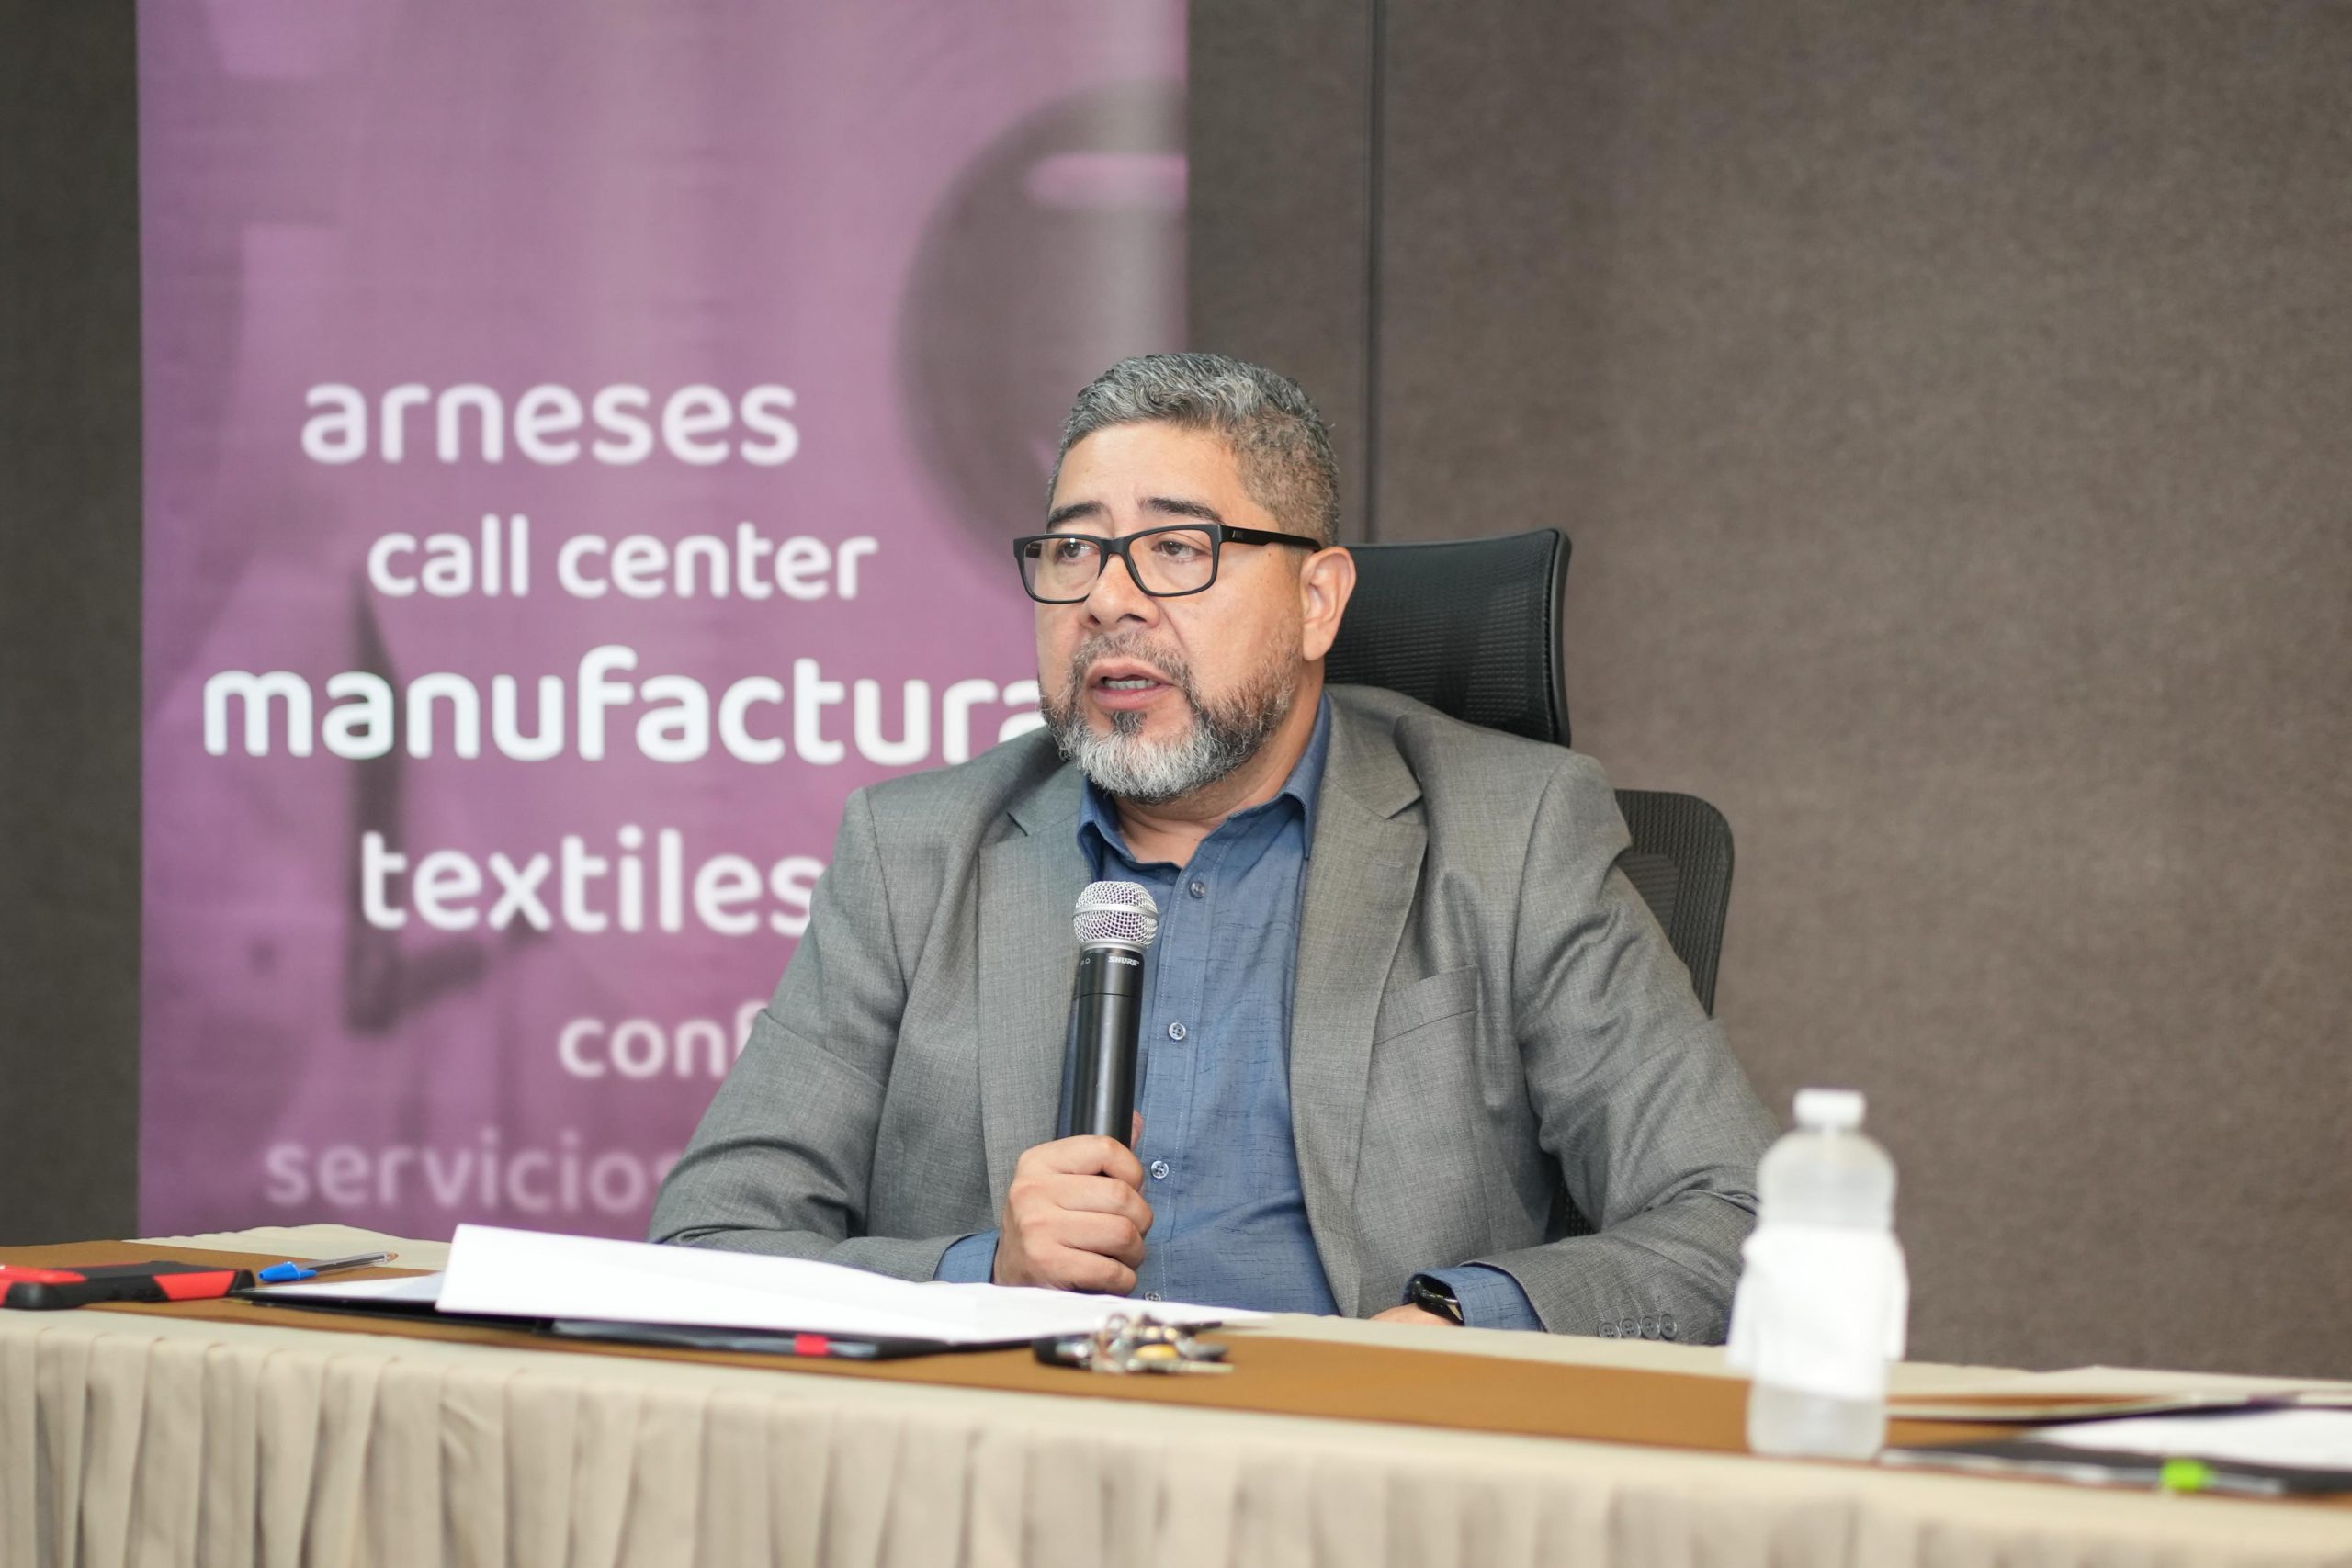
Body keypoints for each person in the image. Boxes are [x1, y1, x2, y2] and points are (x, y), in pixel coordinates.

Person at [650, 353, 1775, 1336]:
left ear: (1317, 600)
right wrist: (981, 1275)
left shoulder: (1509, 836)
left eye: (1176, 548)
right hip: (1015, 1454)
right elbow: (709, 1243)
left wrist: (1452, 1328)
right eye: (1073, 551)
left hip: (1345, 1459)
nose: (1108, 600)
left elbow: (1736, 1218)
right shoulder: (913, 853)